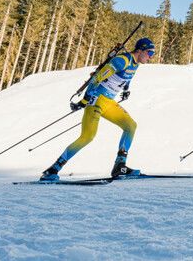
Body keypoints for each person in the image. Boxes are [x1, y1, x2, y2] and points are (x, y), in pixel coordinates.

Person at [40, 37, 156, 181]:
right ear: (140, 50)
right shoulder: (121, 61)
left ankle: (120, 165)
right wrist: (84, 99)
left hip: (108, 102)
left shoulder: (135, 64)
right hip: (96, 100)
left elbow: (128, 76)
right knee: (87, 137)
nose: (151, 57)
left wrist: (126, 89)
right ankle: (53, 169)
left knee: (131, 126)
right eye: (150, 53)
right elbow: (97, 78)